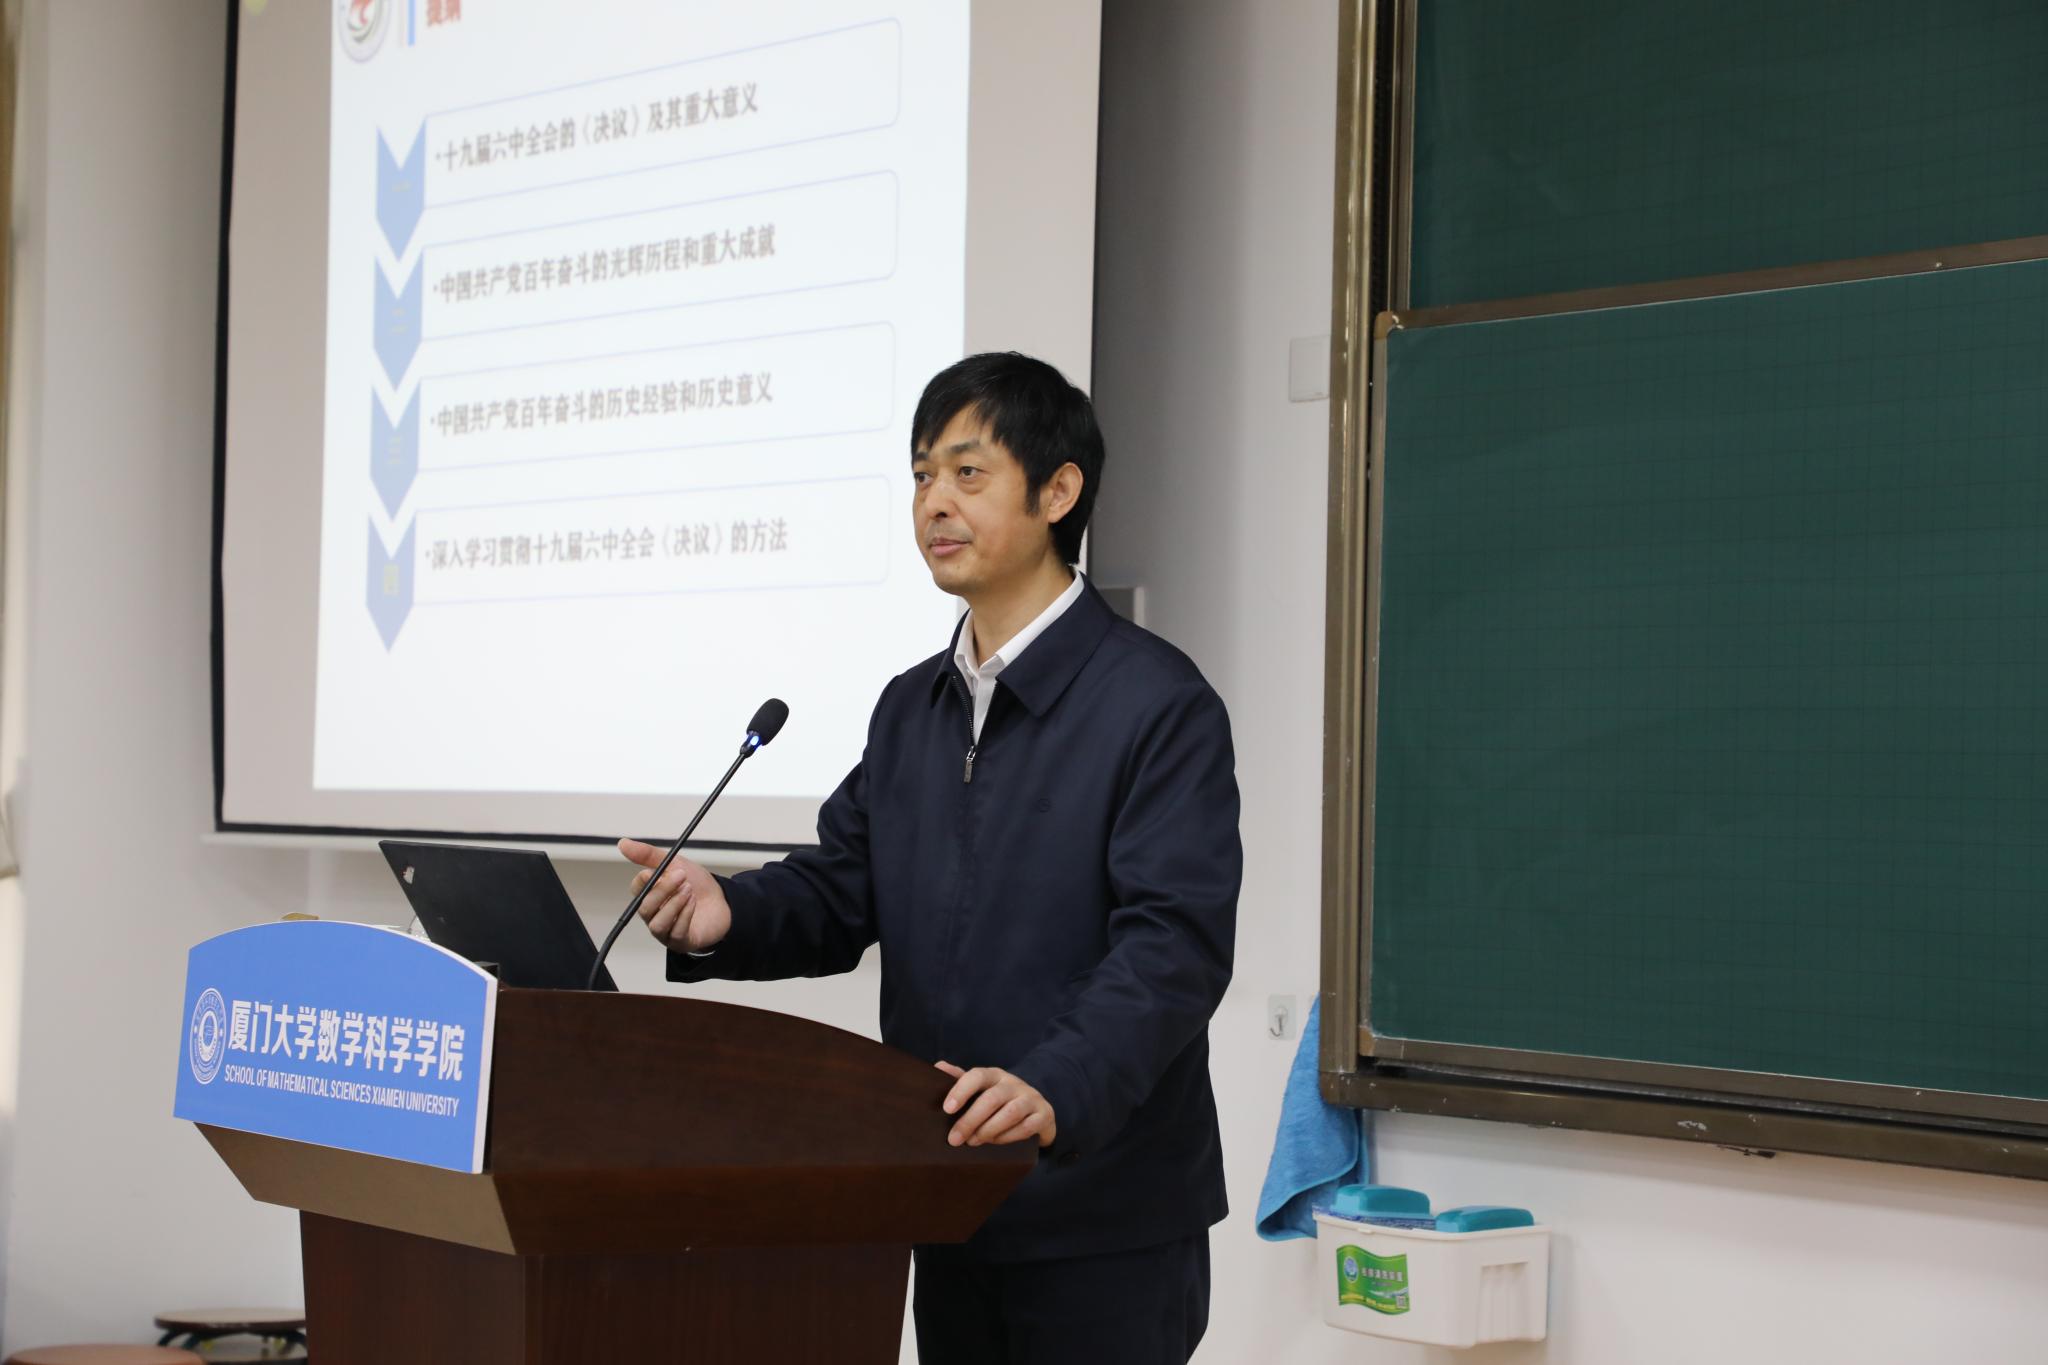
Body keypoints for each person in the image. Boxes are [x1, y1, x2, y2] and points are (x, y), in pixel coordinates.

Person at [620, 351, 1240, 1364]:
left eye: (966, 472)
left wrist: (1054, 1082)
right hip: (948, 1187)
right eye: (920, 476)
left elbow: (1172, 946)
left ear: (1058, 492)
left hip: (1102, 1211)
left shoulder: (1156, 704)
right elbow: (845, 883)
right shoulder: (913, 704)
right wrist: (725, 913)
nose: (933, 503)